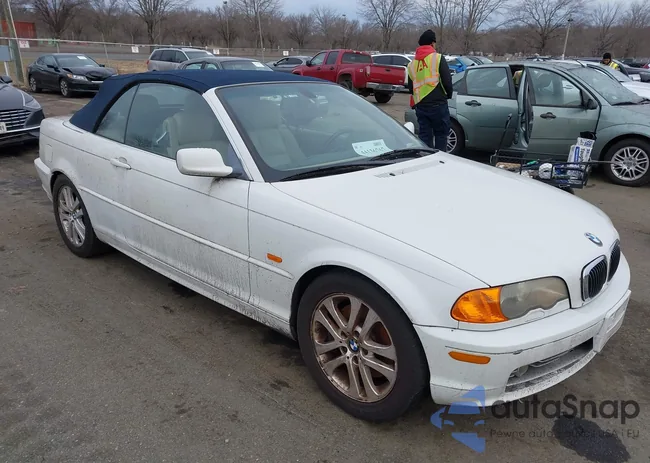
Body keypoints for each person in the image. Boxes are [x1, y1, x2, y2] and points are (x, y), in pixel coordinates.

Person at [406, 29, 453, 151]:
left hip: (421, 105)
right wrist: (448, 95)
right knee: (441, 135)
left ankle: (426, 157)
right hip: (438, 104)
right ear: (432, 43)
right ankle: (440, 160)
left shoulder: (411, 64)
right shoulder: (438, 58)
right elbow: (447, 81)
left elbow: (411, 88)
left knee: (424, 136)